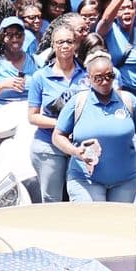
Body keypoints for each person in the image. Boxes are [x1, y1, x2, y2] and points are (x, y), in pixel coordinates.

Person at [52, 50, 136, 203]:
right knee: (93, 217)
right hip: (85, 179)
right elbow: (57, 136)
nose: (105, 82)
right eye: (98, 78)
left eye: (109, 76)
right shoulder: (78, 102)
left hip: (126, 180)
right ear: (88, 78)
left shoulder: (128, 101)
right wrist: (76, 151)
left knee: (119, 218)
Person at [27, 25, 86, 202]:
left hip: (80, 145)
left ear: (75, 44)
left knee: (82, 197)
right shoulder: (40, 77)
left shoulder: (86, 75)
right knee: (53, 200)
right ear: (53, 45)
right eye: (60, 42)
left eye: (69, 41)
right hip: (49, 147)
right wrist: (61, 125)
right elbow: (32, 116)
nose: (65, 46)